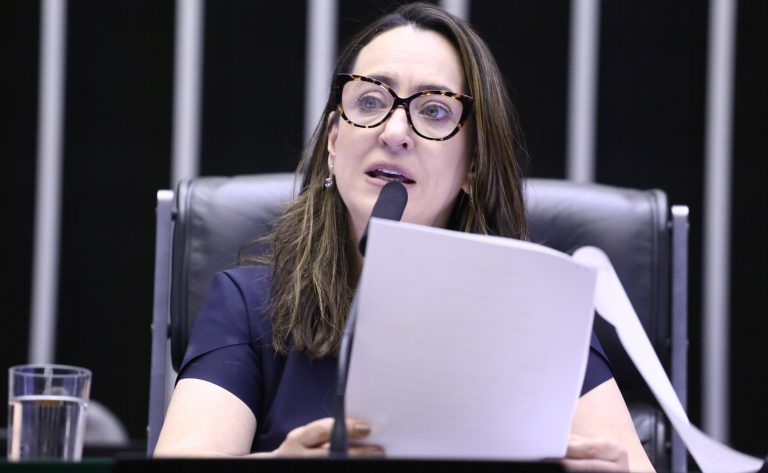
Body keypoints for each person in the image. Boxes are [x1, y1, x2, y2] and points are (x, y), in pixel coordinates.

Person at [154, 3, 655, 471]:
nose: (394, 132)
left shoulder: (539, 310)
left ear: (473, 166)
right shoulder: (247, 305)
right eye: (370, 100)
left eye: (434, 110)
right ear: (333, 143)